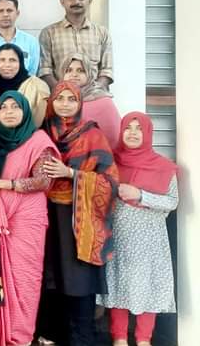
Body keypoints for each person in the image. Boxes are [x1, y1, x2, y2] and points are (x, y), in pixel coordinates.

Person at [35, 82, 118, 346]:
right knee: (49, 278)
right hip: (46, 215)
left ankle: (81, 339)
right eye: (60, 98)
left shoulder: (93, 135)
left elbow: (110, 182)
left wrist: (71, 174)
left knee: (78, 280)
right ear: (52, 102)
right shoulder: (42, 133)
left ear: (80, 103)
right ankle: (52, 336)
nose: (65, 104)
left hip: (79, 220)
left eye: (71, 99)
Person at [0, 92, 60, 346]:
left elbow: (43, 181)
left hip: (27, 218)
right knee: (0, 275)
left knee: (25, 278)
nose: (9, 111)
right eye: (4, 107)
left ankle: (20, 337)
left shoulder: (38, 140)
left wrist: (2, 183)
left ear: (25, 111)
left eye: (15, 107)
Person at [99, 112, 178, 346]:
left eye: (139, 129)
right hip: (118, 236)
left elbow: (172, 201)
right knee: (118, 283)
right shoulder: (110, 162)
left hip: (149, 239)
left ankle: (144, 339)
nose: (132, 133)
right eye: (128, 128)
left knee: (147, 284)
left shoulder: (163, 167)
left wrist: (140, 194)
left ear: (148, 133)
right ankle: (119, 338)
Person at [38, 0, 113, 92]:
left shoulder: (102, 33)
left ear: (90, 1)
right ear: (62, 2)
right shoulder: (49, 33)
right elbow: (45, 70)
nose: (76, 2)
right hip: (61, 96)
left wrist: (93, 91)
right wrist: (63, 91)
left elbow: (107, 70)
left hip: (96, 95)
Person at [61, 54, 121, 147]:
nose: (74, 75)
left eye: (80, 70)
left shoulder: (104, 102)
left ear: (89, 74)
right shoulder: (57, 101)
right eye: (69, 70)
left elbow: (114, 137)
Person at [0, 44, 51, 127]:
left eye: (12, 60)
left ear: (21, 62)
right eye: (2, 60)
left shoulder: (36, 86)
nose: (7, 64)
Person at [0, 0, 40, 77]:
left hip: (23, 85)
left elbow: (32, 72)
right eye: (1, 11)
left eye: (9, 10)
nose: (5, 14)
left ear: (17, 13)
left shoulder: (31, 41)